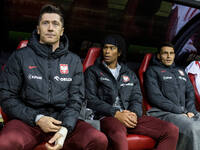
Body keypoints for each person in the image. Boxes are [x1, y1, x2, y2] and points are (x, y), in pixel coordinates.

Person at [0, 4, 108, 150]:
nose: (50, 28)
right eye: (45, 23)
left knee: (98, 139)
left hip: (63, 122)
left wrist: (65, 128)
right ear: (38, 29)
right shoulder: (20, 57)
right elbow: (7, 97)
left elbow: (76, 100)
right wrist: (37, 118)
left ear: (62, 31)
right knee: (6, 143)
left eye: (55, 24)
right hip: (27, 122)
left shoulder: (74, 60)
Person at [84, 34, 179, 150]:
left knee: (171, 130)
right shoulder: (92, 72)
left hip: (130, 116)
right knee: (118, 135)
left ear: (119, 53)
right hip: (107, 116)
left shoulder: (129, 74)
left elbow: (136, 98)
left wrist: (134, 114)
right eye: (105, 48)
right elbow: (90, 99)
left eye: (112, 48)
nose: (107, 52)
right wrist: (116, 113)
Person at [144, 43, 200, 150]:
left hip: (185, 112)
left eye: (171, 53)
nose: (169, 56)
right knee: (193, 127)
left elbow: (190, 93)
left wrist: (191, 110)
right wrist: (180, 111)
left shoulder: (181, 72)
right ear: (159, 56)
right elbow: (155, 97)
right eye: (165, 53)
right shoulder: (152, 71)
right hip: (163, 113)